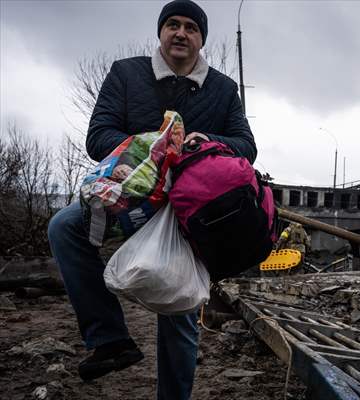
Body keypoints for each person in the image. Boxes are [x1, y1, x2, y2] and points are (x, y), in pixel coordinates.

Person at [47, 1, 256, 399]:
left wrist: (205, 142)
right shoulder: (127, 73)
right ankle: (110, 339)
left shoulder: (223, 89)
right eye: (172, 25)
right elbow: (98, 134)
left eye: (191, 27)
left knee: (177, 309)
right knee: (63, 227)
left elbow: (247, 146)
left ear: (201, 39)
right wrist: (147, 148)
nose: (181, 33)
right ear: (161, 32)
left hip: (186, 207)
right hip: (129, 192)